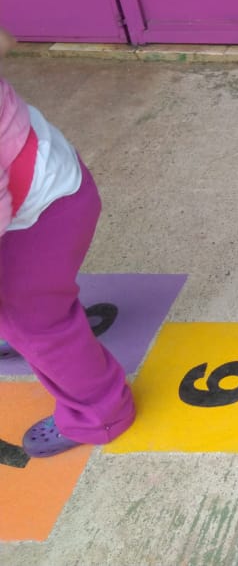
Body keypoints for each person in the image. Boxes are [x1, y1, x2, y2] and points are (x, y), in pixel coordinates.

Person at [0, 27, 135, 457]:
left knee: (39, 325)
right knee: (28, 312)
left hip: (41, 211)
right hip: (44, 180)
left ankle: (101, 414)